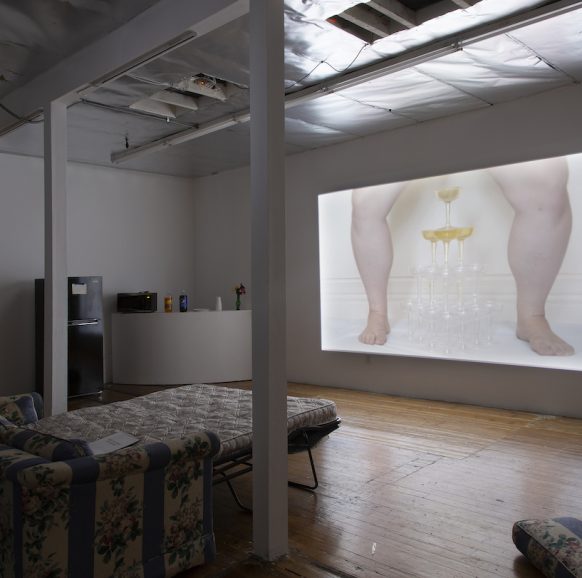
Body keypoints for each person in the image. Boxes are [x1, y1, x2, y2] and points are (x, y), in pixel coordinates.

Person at [351, 156, 574, 356]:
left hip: (490, 124)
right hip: (411, 128)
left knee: (548, 179)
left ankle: (532, 316)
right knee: (365, 201)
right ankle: (377, 313)